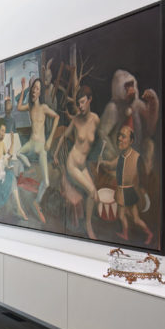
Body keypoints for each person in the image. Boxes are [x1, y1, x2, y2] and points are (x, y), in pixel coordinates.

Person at [53, 85, 100, 239]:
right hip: (72, 164)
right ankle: (88, 226)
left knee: (95, 195)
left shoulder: (96, 120)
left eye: (82, 102)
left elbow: (99, 141)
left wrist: (98, 158)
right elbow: (63, 137)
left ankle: (87, 223)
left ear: (90, 100)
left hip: (83, 165)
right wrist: (54, 154)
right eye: (78, 103)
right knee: (92, 191)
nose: (80, 106)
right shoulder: (76, 121)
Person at [100, 125, 153, 245]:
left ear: (131, 141)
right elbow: (111, 165)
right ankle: (125, 233)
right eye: (119, 135)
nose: (119, 138)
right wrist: (102, 162)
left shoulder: (136, 157)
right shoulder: (121, 156)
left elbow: (143, 177)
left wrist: (143, 192)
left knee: (134, 218)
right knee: (122, 215)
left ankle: (149, 233)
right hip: (121, 192)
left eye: (123, 136)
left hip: (129, 193)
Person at [16, 77, 60, 222]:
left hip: (41, 146)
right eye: (33, 88)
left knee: (46, 182)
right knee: (18, 153)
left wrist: (50, 138)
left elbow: (57, 117)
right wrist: (23, 88)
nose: (34, 91)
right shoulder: (30, 107)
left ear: (40, 92)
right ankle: (28, 167)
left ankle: (37, 202)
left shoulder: (44, 108)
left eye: (37, 89)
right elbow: (18, 107)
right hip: (31, 143)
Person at [0, 119, 26, 219]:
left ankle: (19, 208)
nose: (3, 134)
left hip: (0, 169)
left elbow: (8, 155)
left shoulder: (3, 143)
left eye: (5, 131)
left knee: (12, 177)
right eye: (2, 131)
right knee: (10, 176)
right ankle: (18, 208)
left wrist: (12, 142)